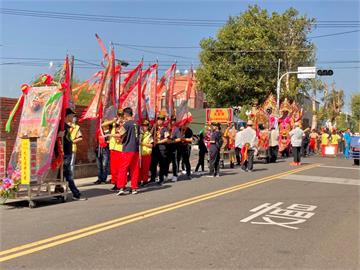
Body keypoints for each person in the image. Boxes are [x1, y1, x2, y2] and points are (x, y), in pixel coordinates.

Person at [60, 108, 86, 200]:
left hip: (68, 152)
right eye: (72, 115)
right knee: (67, 174)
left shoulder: (69, 126)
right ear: (67, 116)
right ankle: (76, 194)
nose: (73, 117)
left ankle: (59, 192)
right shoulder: (62, 126)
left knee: (63, 174)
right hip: (65, 153)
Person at [116, 107, 140, 195]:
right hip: (136, 149)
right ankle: (134, 188)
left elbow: (120, 134)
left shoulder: (127, 124)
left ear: (125, 114)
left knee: (123, 168)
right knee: (134, 169)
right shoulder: (136, 124)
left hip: (128, 149)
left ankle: (121, 187)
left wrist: (112, 134)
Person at [106, 110, 124, 191]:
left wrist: (110, 135)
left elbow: (120, 136)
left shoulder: (123, 124)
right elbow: (103, 124)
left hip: (119, 148)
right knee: (113, 169)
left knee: (120, 168)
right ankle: (115, 183)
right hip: (112, 148)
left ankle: (120, 184)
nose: (120, 116)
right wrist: (113, 121)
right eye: (119, 115)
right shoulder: (114, 124)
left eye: (121, 115)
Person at [150, 114, 169, 185]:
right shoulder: (155, 128)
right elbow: (150, 135)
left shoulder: (165, 129)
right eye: (158, 119)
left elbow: (166, 139)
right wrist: (154, 127)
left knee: (162, 165)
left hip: (162, 149)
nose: (159, 121)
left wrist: (158, 142)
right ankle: (152, 178)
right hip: (155, 148)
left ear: (163, 121)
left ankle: (161, 179)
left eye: (161, 120)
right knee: (153, 164)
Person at [94, 119, 111, 184]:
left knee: (104, 165)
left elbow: (111, 141)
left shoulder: (109, 132)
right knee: (99, 165)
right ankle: (99, 178)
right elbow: (96, 139)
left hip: (105, 149)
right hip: (98, 149)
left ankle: (104, 179)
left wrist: (105, 141)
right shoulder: (99, 131)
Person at [139, 119, 153, 186]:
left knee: (145, 169)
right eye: (143, 125)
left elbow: (151, 145)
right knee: (139, 169)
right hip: (139, 154)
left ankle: (145, 181)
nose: (144, 127)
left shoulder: (149, 135)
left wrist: (142, 144)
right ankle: (138, 180)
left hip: (146, 154)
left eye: (145, 126)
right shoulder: (140, 134)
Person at [167, 116, 181, 182]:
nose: (172, 122)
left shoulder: (176, 129)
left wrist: (172, 141)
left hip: (173, 148)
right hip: (166, 148)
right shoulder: (166, 128)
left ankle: (175, 175)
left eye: (174, 120)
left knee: (174, 162)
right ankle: (165, 174)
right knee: (166, 162)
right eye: (171, 120)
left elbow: (179, 139)